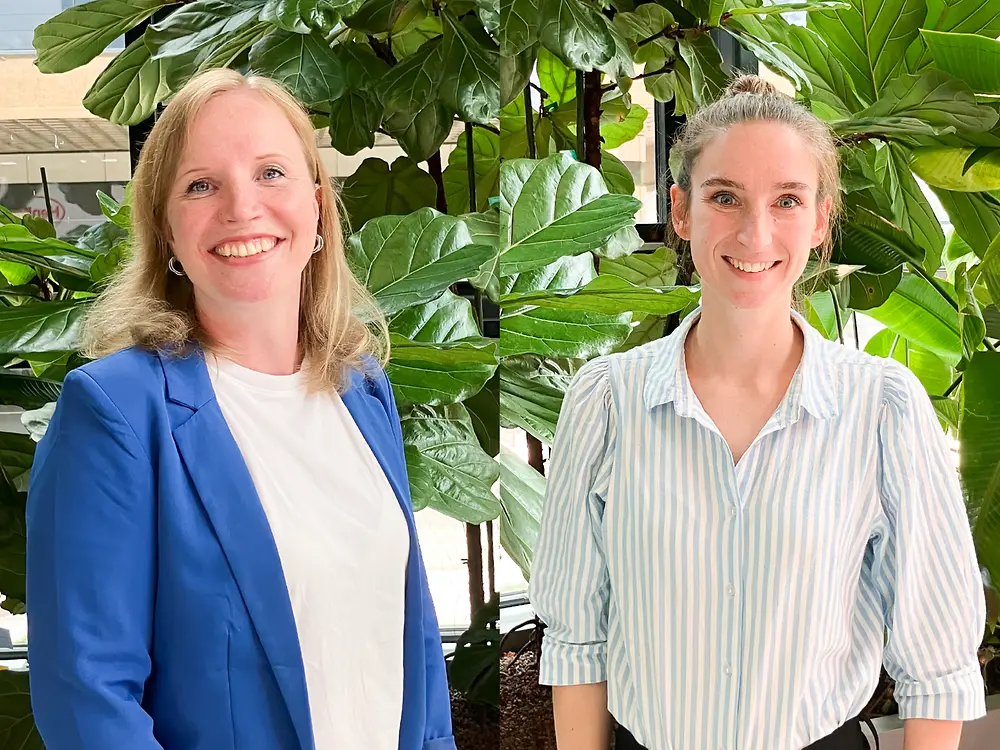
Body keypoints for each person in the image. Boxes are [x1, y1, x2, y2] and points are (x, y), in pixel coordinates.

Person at [529, 75, 986, 750]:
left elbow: (937, 663)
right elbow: (577, 641)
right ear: (681, 212)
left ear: (822, 219)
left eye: (788, 201)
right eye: (725, 197)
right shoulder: (606, 401)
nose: (756, 232)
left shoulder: (882, 408)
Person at [25, 68, 455, 750]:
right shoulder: (117, 412)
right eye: (201, 184)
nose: (241, 207)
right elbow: (87, 700)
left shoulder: (362, 388)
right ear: (166, 229)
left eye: (272, 173)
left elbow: (413, 648)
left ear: (316, 205)